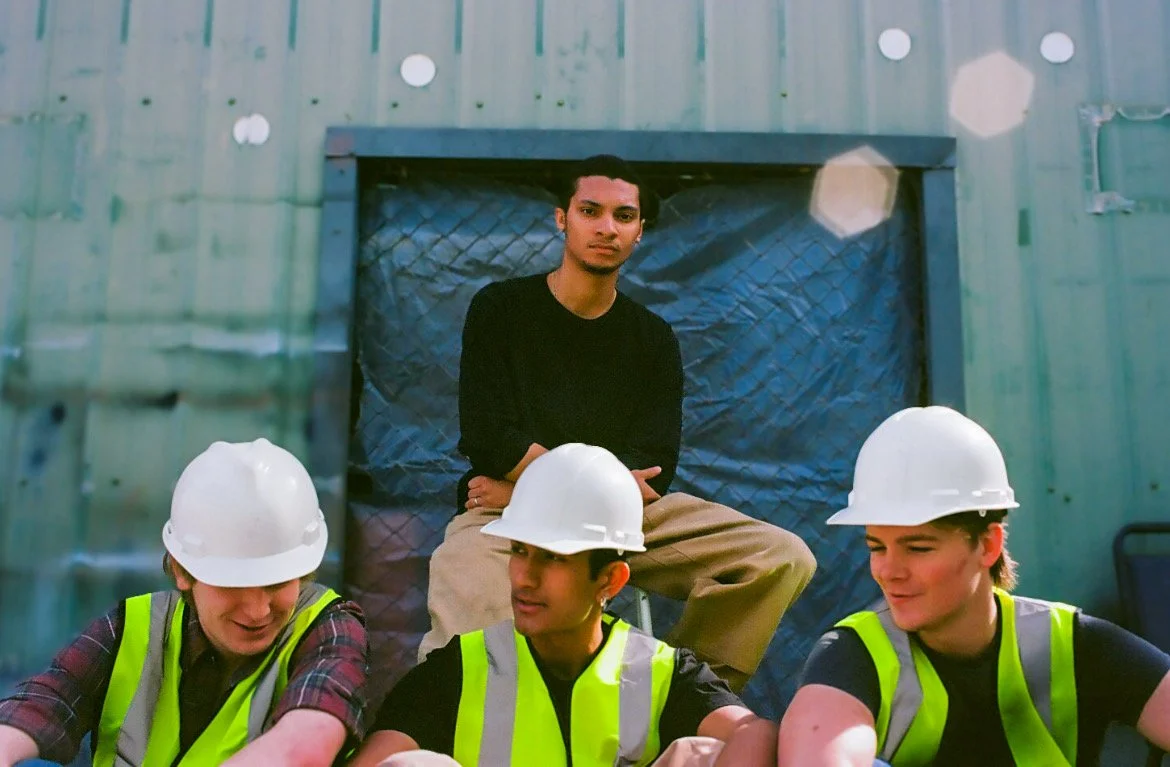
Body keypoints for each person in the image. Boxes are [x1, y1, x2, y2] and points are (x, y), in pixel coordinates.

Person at [421, 153, 817, 692]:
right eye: (590, 211)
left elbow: (655, 468)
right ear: (562, 219)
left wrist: (529, 486)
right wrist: (543, 493)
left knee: (778, 557)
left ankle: (681, 697)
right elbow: (490, 436)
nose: (607, 227)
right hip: (505, 516)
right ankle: (463, 721)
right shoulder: (502, 309)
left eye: (623, 216)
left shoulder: (652, 338)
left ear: (639, 230)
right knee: (470, 604)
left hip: (610, 515)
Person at [776, 406, 1170, 766]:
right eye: (877, 547)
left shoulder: (1074, 645)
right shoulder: (854, 654)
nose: (888, 571)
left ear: (988, 545)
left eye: (918, 548)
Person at [352, 443, 778, 767]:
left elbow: (755, 735)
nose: (525, 577)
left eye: (554, 557)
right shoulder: (460, 670)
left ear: (610, 580)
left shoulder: (661, 674)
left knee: (703, 754)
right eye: (520, 551)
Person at [0, 438, 369, 767]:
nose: (258, 610)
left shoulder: (330, 629)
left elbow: (305, 747)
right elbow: (47, 701)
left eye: (277, 583)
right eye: (232, 584)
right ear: (182, 571)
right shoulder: (131, 629)